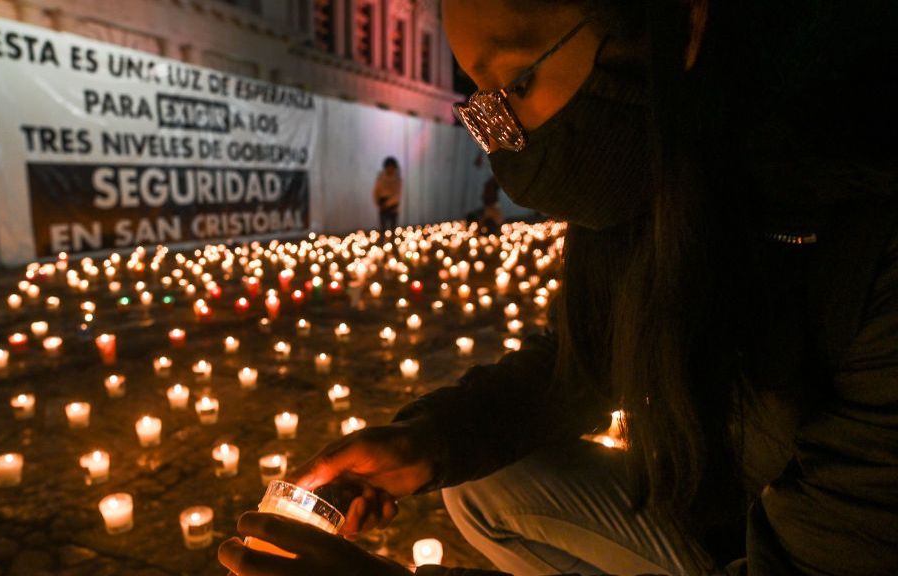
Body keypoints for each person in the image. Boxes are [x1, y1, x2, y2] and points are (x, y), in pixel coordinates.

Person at [219, 1, 898, 575]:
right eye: (482, 103)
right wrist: (429, 440)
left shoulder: (871, 236)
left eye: (517, 81)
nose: (505, 138)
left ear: (682, 25)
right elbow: (587, 362)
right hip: (725, 505)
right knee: (479, 482)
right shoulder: (660, 184)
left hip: (814, 545)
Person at [374, 157, 402, 231]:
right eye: (388, 167)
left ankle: (392, 241)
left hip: (393, 206)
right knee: (383, 228)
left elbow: (397, 193)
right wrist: (378, 203)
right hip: (382, 205)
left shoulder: (397, 178)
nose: (390, 169)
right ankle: (383, 241)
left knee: (393, 228)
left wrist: (388, 204)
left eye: (392, 167)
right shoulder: (381, 177)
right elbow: (376, 191)